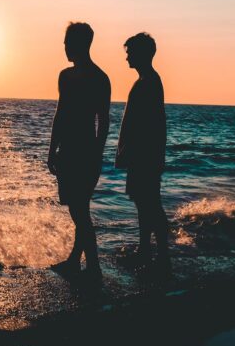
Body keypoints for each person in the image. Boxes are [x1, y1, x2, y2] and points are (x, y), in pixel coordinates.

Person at [48, 22, 111, 278]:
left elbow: (103, 120)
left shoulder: (99, 77)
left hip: (85, 152)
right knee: (77, 208)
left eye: (67, 43)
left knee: (80, 210)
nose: (64, 48)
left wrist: (96, 154)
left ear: (80, 44)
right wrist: (52, 149)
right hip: (67, 150)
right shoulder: (65, 75)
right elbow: (60, 113)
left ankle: (92, 265)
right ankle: (76, 260)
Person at [115, 32, 169, 269]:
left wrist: (135, 152)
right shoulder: (146, 80)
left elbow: (150, 124)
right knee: (144, 202)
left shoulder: (149, 82)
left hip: (145, 156)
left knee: (150, 203)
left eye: (130, 52)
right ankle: (146, 250)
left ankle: (161, 254)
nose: (126, 56)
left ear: (141, 53)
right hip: (143, 155)